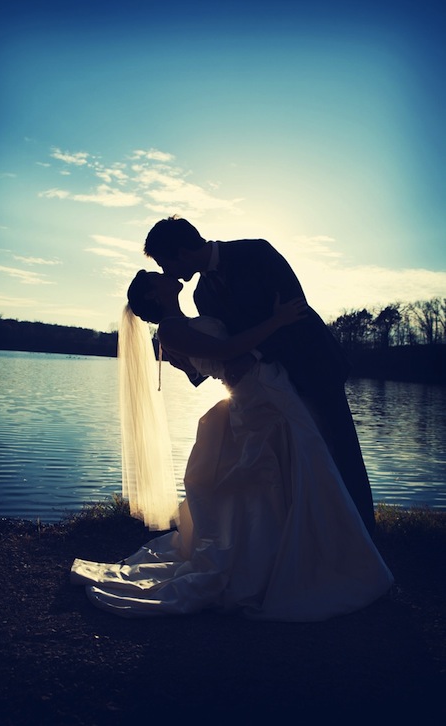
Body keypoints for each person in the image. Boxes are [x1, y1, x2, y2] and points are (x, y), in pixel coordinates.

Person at [70, 270, 393, 621]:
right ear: (152, 294)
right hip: (258, 398)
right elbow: (226, 350)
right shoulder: (169, 329)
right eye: (156, 276)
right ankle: (286, 565)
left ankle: (300, 556)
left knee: (287, 474)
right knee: (279, 475)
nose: (165, 274)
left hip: (262, 392)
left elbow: (210, 364)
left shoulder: (184, 321)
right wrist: (277, 320)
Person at [143, 216, 376, 535]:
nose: (167, 272)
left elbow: (295, 310)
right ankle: (313, 532)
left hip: (311, 365)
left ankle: (365, 535)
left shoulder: (256, 253)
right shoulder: (201, 296)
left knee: (340, 450)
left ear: (181, 252)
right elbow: (223, 346)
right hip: (269, 387)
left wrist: (252, 354)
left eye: (164, 263)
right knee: (299, 460)